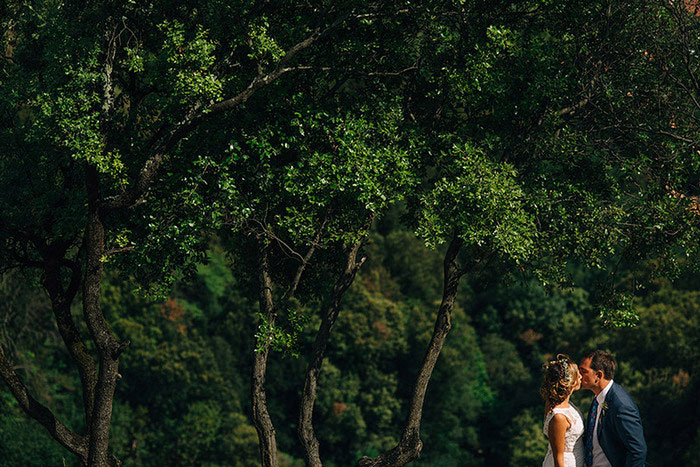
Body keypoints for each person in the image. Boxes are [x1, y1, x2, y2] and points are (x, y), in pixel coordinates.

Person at [579, 350, 647, 467]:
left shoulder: (620, 405)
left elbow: (637, 450)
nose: (579, 375)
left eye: (583, 371)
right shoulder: (597, 400)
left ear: (599, 375)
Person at [541, 354, 585, 467]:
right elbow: (558, 456)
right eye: (577, 374)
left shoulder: (568, 405)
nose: (581, 376)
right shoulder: (559, 417)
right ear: (569, 381)